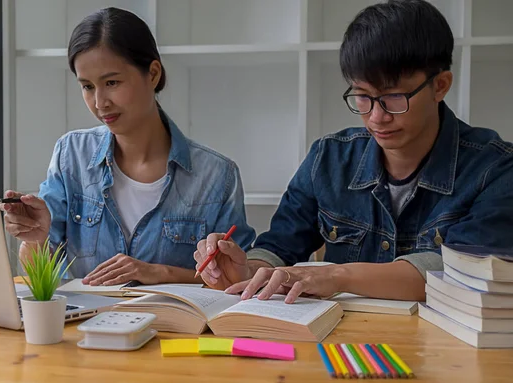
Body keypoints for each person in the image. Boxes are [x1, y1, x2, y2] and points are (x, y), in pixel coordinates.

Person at [194, 0, 513, 303]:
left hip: (447, 348)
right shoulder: (328, 159)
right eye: (362, 96)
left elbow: (460, 274)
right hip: (340, 342)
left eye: (394, 97)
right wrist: (246, 268)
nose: (377, 117)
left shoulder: (495, 168)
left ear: (440, 85)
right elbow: (279, 245)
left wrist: (338, 276)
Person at [2, 7, 255, 285]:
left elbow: (235, 280)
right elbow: (43, 274)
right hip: (85, 326)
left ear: (153, 74)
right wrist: (35, 239)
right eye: (87, 86)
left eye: (112, 82)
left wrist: (159, 273)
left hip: (174, 328)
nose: (100, 102)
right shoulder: (70, 154)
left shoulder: (217, 175)